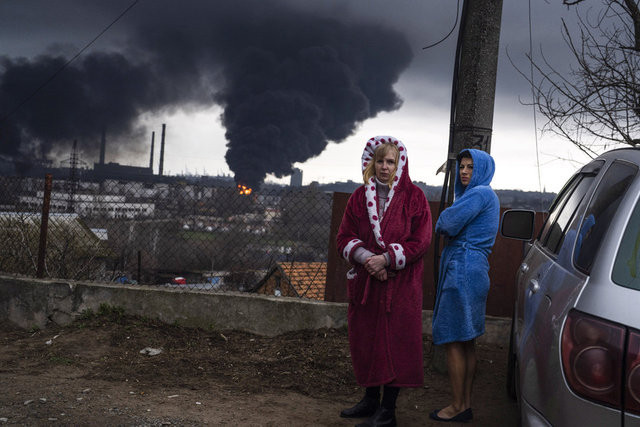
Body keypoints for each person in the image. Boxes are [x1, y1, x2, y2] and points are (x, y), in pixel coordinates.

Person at [336, 136, 432, 427]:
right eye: (380, 160)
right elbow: (344, 237)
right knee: (366, 340)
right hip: (368, 284)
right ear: (371, 162)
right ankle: (370, 400)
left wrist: (388, 259)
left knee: (395, 343)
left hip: (400, 287)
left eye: (391, 161)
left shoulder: (415, 197)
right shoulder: (357, 197)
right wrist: (368, 258)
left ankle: (388, 411)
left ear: (399, 163)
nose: (385, 167)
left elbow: (421, 240)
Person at [429, 148, 500, 423]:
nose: (464, 171)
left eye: (471, 167)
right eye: (462, 166)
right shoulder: (486, 196)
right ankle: (465, 403)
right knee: (467, 341)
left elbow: (446, 222)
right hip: (475, 268)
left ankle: (457, 406)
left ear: (482, 169)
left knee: (454, 341)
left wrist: (445, 217)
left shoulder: (480, 193)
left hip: (463, 268)